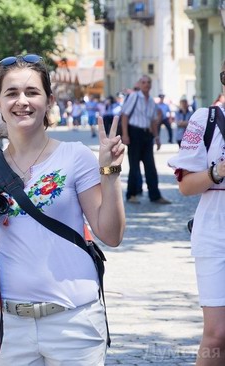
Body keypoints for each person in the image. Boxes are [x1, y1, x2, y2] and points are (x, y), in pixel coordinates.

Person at [0, 54, 126, 365]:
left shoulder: (76, 157)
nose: (22, 101)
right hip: (9, 325)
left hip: (73, 320)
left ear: (48, 100)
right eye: (12, 93)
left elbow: (111, 235)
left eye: (32, 92)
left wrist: (110, 173)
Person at [167, 59, 225, 366]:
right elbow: (186, 187)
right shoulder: (208, 119)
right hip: (216, 232)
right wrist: (219, 171)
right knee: (217, 334)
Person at [121, 75, 171, 204]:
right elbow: (125, 115)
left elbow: (153, 121)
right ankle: (131, 194)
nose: (146, 84)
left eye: (148, 82)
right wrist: (125, 135)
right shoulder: (134, 96)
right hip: (134, 133)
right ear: (139, 84)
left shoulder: (151, 101)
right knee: (134, 166)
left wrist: (157, 137)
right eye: (143, 82)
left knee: (150, 166)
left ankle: (155, 195)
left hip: (146, 135)